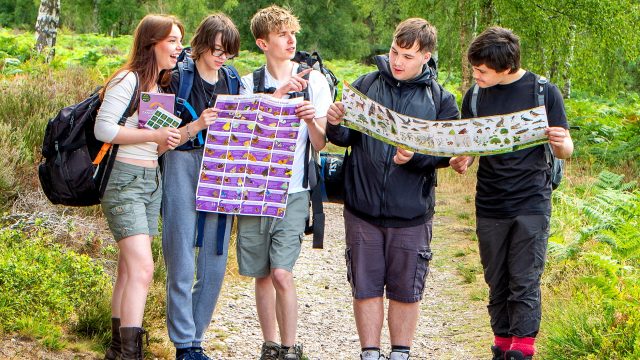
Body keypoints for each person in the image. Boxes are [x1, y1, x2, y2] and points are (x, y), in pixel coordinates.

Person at [326, 18, 460, 360]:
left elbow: (447, 154)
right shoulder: (366, 84)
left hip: (412, 211)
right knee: (366, 285)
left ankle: (401, 354)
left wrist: (416, 158)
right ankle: (369, 353)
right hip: (362, 207)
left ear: (426, 57)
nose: (398, 61)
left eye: (408, 56)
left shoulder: (441, 99)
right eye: (394, 52)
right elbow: (344, 139)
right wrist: (335, 122)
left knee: (406, 290)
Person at [450, 26, 574, 360]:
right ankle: (501, 343)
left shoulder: (543, 91)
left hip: (532, 200)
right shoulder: (475, 95)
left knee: (524, 278)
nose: (476, 75)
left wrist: (563, 144)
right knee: (496, 279)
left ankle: (523, 347)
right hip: (490, 200)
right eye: (474, 68)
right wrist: (464, 158)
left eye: (482, 71)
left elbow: (565, 149)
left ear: (505, 68)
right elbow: (472, 144)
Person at [236, 5, 331, 360]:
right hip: (253, 191)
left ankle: (291, 347)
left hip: (293, 190)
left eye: (293, 33)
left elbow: (320, 143)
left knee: (281, 273)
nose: (291, 40)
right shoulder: (248, 84)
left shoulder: (315, 82)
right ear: (263, 42)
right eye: (281, 34)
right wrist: (276, 98)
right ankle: (270, 345)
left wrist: (309, 120)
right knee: (261, 274)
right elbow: (243, 137)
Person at [95, 14, 183, 360]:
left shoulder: (160, 88)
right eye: (172, 41)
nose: (179, 48)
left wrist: (165, 141)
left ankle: (118, 351)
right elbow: (104, 130)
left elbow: (150, 143)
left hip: (150, 181)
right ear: (152, 44)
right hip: (124, 182)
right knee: (144, 268)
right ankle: (130, 354)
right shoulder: (126, 80)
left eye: (179, 40)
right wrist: (154, 135)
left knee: (129, 269)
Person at [160, 13, 240, 360]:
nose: (222, 58)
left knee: (216, 256)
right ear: (202, 44)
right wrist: (196, 125)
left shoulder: (233, 80)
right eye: (217, 50)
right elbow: (159, 138)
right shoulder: (177, 77)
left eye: (228, 53)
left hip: (222, 167)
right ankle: (183, 344)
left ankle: (195, 340)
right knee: (180, 254)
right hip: (181, 162)